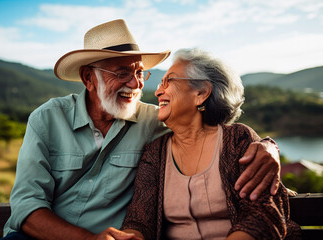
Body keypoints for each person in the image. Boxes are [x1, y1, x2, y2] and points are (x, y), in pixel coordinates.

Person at [2, 20, 282, 240]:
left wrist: (269, 147)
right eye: (122, 73)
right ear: (89, 77)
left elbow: (207, 128)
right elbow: (26, 205)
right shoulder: (47, 119)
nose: (137, 85)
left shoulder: (156, 122)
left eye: (139, 73)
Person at [120, 48, 301, 240]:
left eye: (168, 81)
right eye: (160, 83)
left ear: (202, 93)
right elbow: (139, 220)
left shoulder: (238, 139)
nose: (158, 91)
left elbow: (261, 215)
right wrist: (131, 236)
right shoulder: (154, 152)